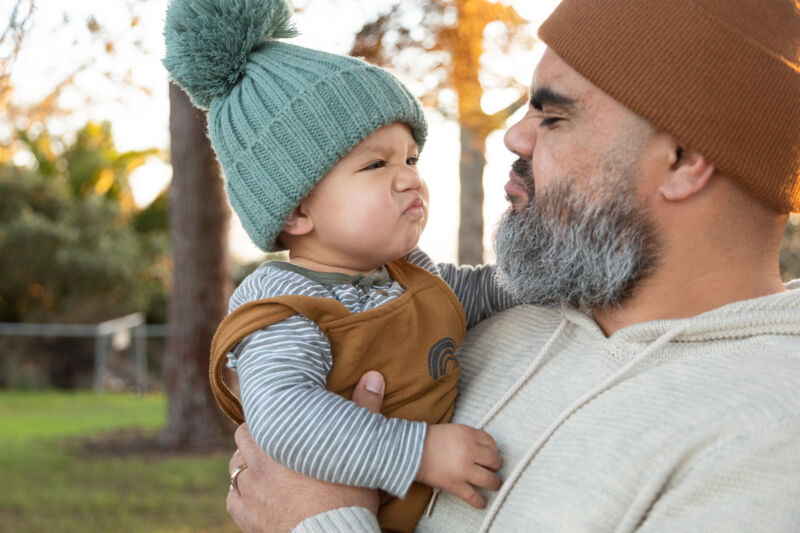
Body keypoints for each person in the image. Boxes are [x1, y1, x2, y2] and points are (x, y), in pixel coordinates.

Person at [224, 0, 800, 531]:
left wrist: (314, 519)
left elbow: (303, 498)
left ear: (683, 160)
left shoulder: (770, 439)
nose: (513, 136)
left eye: (553, 117)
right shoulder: (484, 322)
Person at [162, 0, 514, 531]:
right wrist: (417, 453)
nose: (410, 179)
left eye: (411, 159)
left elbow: (482, 292)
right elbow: (287, 417)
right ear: (298, 209)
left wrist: (541, 283)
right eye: (376, 164)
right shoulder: (285, 310)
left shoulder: (407, 277)